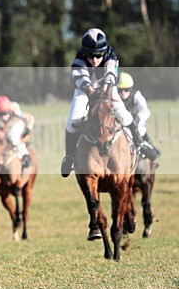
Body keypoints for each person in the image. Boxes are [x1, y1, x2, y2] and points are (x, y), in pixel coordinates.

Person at [60, 28, 157, 179]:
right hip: (84, 90)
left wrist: (105, 94)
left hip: (107, 87)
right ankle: (69, 157)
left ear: (104, 52)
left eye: (98, 55)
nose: (94, 60)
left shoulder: (111, 57)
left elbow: (111, 76)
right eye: (90, 56)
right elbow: (82, 80)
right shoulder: (78, 59)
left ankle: (140, 144)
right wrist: (91, 93)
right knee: (72, 122)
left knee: (124, 115)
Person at [0, 95, 35, 171]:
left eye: (5, 113)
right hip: (1, 128)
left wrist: (28, 128)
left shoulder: (15, 110)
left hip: (14, 124)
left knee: (13, 137)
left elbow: (30, 118)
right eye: (0, 114)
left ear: (10, 110)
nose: (3, 117)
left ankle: (24, 155)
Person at [117, 72, 161, 159]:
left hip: (137, 127)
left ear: (131, 88)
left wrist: (138, 117)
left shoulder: (136, 95)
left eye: (126, 89)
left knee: (153, 154)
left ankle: (149, 154)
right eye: (120, 90)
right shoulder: (115, 96)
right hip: (120, 126)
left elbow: (146, 111)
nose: (123, 93)